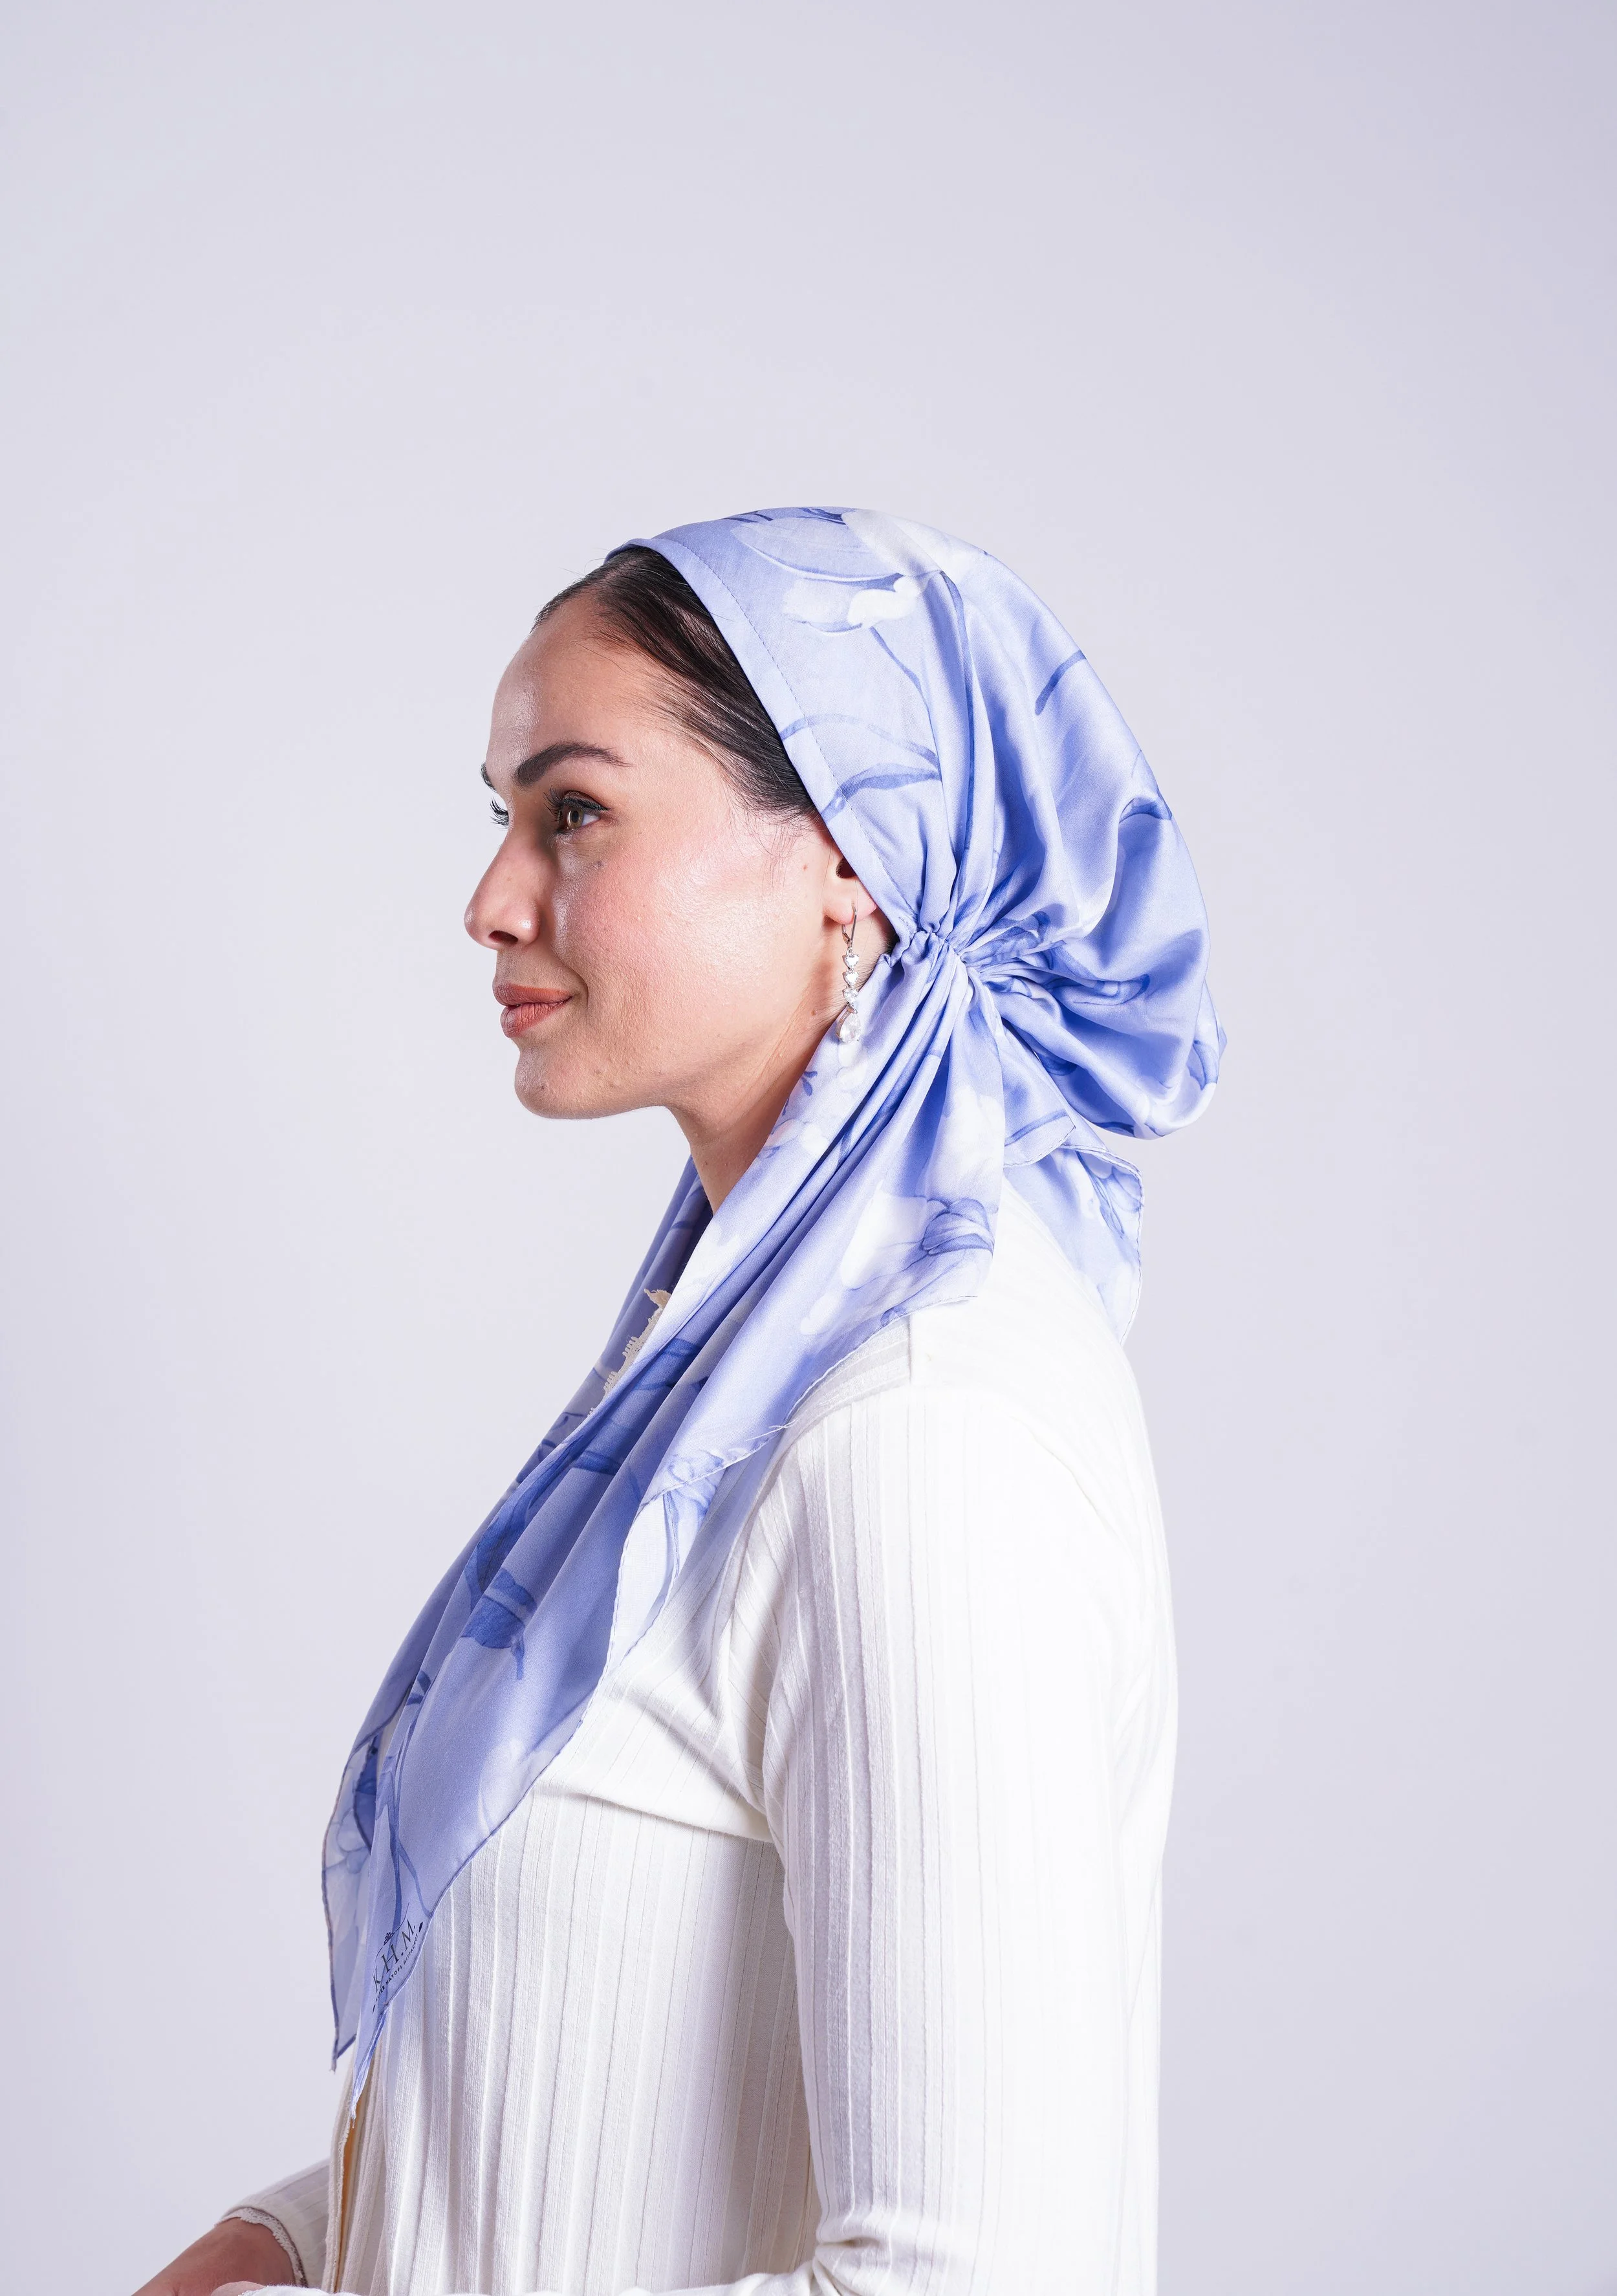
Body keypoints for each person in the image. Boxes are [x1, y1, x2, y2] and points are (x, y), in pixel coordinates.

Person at [132, 508, 1221, 2296]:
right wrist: (299, 2239)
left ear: (848, 859)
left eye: (573, 811)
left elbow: (974, 2275)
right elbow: (618, 2098)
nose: (492, 898)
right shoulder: (736, 1371)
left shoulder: (911, 1433)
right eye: (504, 814)